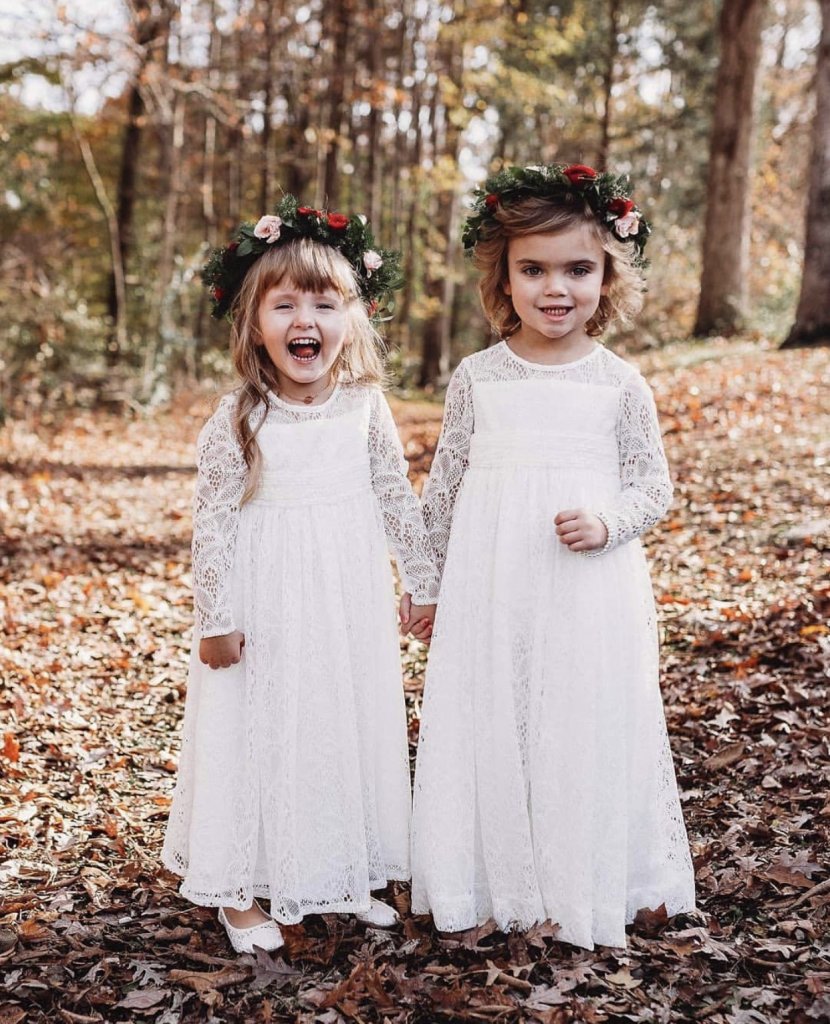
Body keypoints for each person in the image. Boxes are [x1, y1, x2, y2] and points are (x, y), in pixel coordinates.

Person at [405, 164, 696, 950]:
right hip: (490, 582)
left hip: (586, 587)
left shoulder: (620, 384)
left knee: (577, 718)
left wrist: (607, 521)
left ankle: (587, 876)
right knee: (497, 715)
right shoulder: (479, 378)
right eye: (533, 270)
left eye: (578, 269)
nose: (555, 288)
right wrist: (425, 584)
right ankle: (497, 878)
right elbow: (443, 490)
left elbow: (653, 486)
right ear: (504, 275)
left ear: (608, 277)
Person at [162, 196, 438, 954]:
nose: (303, 319)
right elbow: (213, 522)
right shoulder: (239, 417)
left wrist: (424, 581)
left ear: (351, 318)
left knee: (339, 727)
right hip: (265, 602)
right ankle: (242, 891)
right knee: (260, 733)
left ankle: (341, 874)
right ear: (256, 323)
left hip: (346, 598)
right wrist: (213, 618)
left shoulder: (364, 407)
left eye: (323, 301)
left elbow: (394, 496)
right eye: (284, 304)